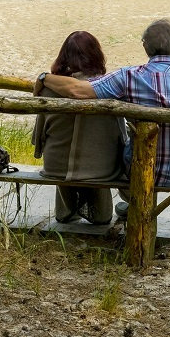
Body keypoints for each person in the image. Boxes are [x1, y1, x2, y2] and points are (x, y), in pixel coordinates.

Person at [33, 19, 170, 232]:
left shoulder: (128, 77)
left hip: (139, 171)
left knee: (128, 144)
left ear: (145, 47)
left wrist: (44, 77)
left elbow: (78, 90)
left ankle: (134, 201)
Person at [31, 31, 127, 224]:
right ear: (97, 56)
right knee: (102, 212)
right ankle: (99, 214)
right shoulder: (107, 89)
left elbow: (38, 137)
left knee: (66, 161)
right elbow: (121, 136)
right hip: (101, 170)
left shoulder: (48, 89)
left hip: (55, 167)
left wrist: (44, 78)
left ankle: (66, 211)